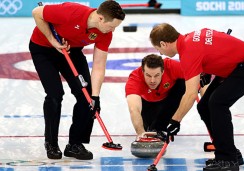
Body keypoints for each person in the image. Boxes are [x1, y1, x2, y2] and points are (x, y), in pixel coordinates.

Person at [150, 23, 244, 171]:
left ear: (163, 44)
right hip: (237, 66)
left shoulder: (188, 52)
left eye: (158, 49)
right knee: (204, 106)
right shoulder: (190, 37)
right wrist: (206, 71)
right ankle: (232, 153)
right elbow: (217, 44)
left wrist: (175, 121)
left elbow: (190, 94)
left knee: (217, 104)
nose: (160, 54)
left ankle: (228, 160)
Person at [29, 1, 125, 160]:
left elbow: (99, 66)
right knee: (55, 94)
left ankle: (75, 144)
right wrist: (52, 40)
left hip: (71, 51)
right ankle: (51, 143)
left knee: (87, 97)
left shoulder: (105, 33)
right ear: (100, 18)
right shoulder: (71, 12)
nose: (112, 30)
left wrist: (95, 97)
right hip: (43, 49)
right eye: (111, 26)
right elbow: (37, 12)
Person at [125, 54, 202, 141]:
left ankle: (162, 126)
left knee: (186, 83)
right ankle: (157, 127)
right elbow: (134, 109)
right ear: (142, 72)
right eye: (148, 75)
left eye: (157, 75)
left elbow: (198, 76)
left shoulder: (171, 66)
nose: (152, 80)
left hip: (168, 101)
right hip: (147, 104)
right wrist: (141, 134)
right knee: (149, 130)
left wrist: (205, 101)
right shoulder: (135, 79)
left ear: (163, 71)